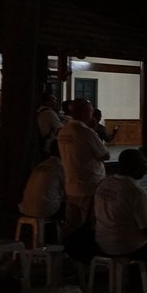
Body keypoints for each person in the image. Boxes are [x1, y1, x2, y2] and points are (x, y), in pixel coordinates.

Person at [56, 98, 109, 229]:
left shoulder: (64, 130)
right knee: (89, 224)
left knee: (72, 223)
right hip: (89, 184)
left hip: (71, 184)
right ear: (85, 112)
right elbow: (104, 155)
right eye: (91, 112)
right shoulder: (86, 132)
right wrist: (94, 130)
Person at [19, 143, 65, 220]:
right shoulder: (60, 167)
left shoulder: (41, 165)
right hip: (46, 210)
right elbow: (68, 190)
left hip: (24, 208)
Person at [36, 92, 63, 158]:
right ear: (47, 102)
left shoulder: (39, 111)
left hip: (42, 144)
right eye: (54, 99)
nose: (56, 101)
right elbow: (60, 129)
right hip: (50, 146)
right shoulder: (49, 113)